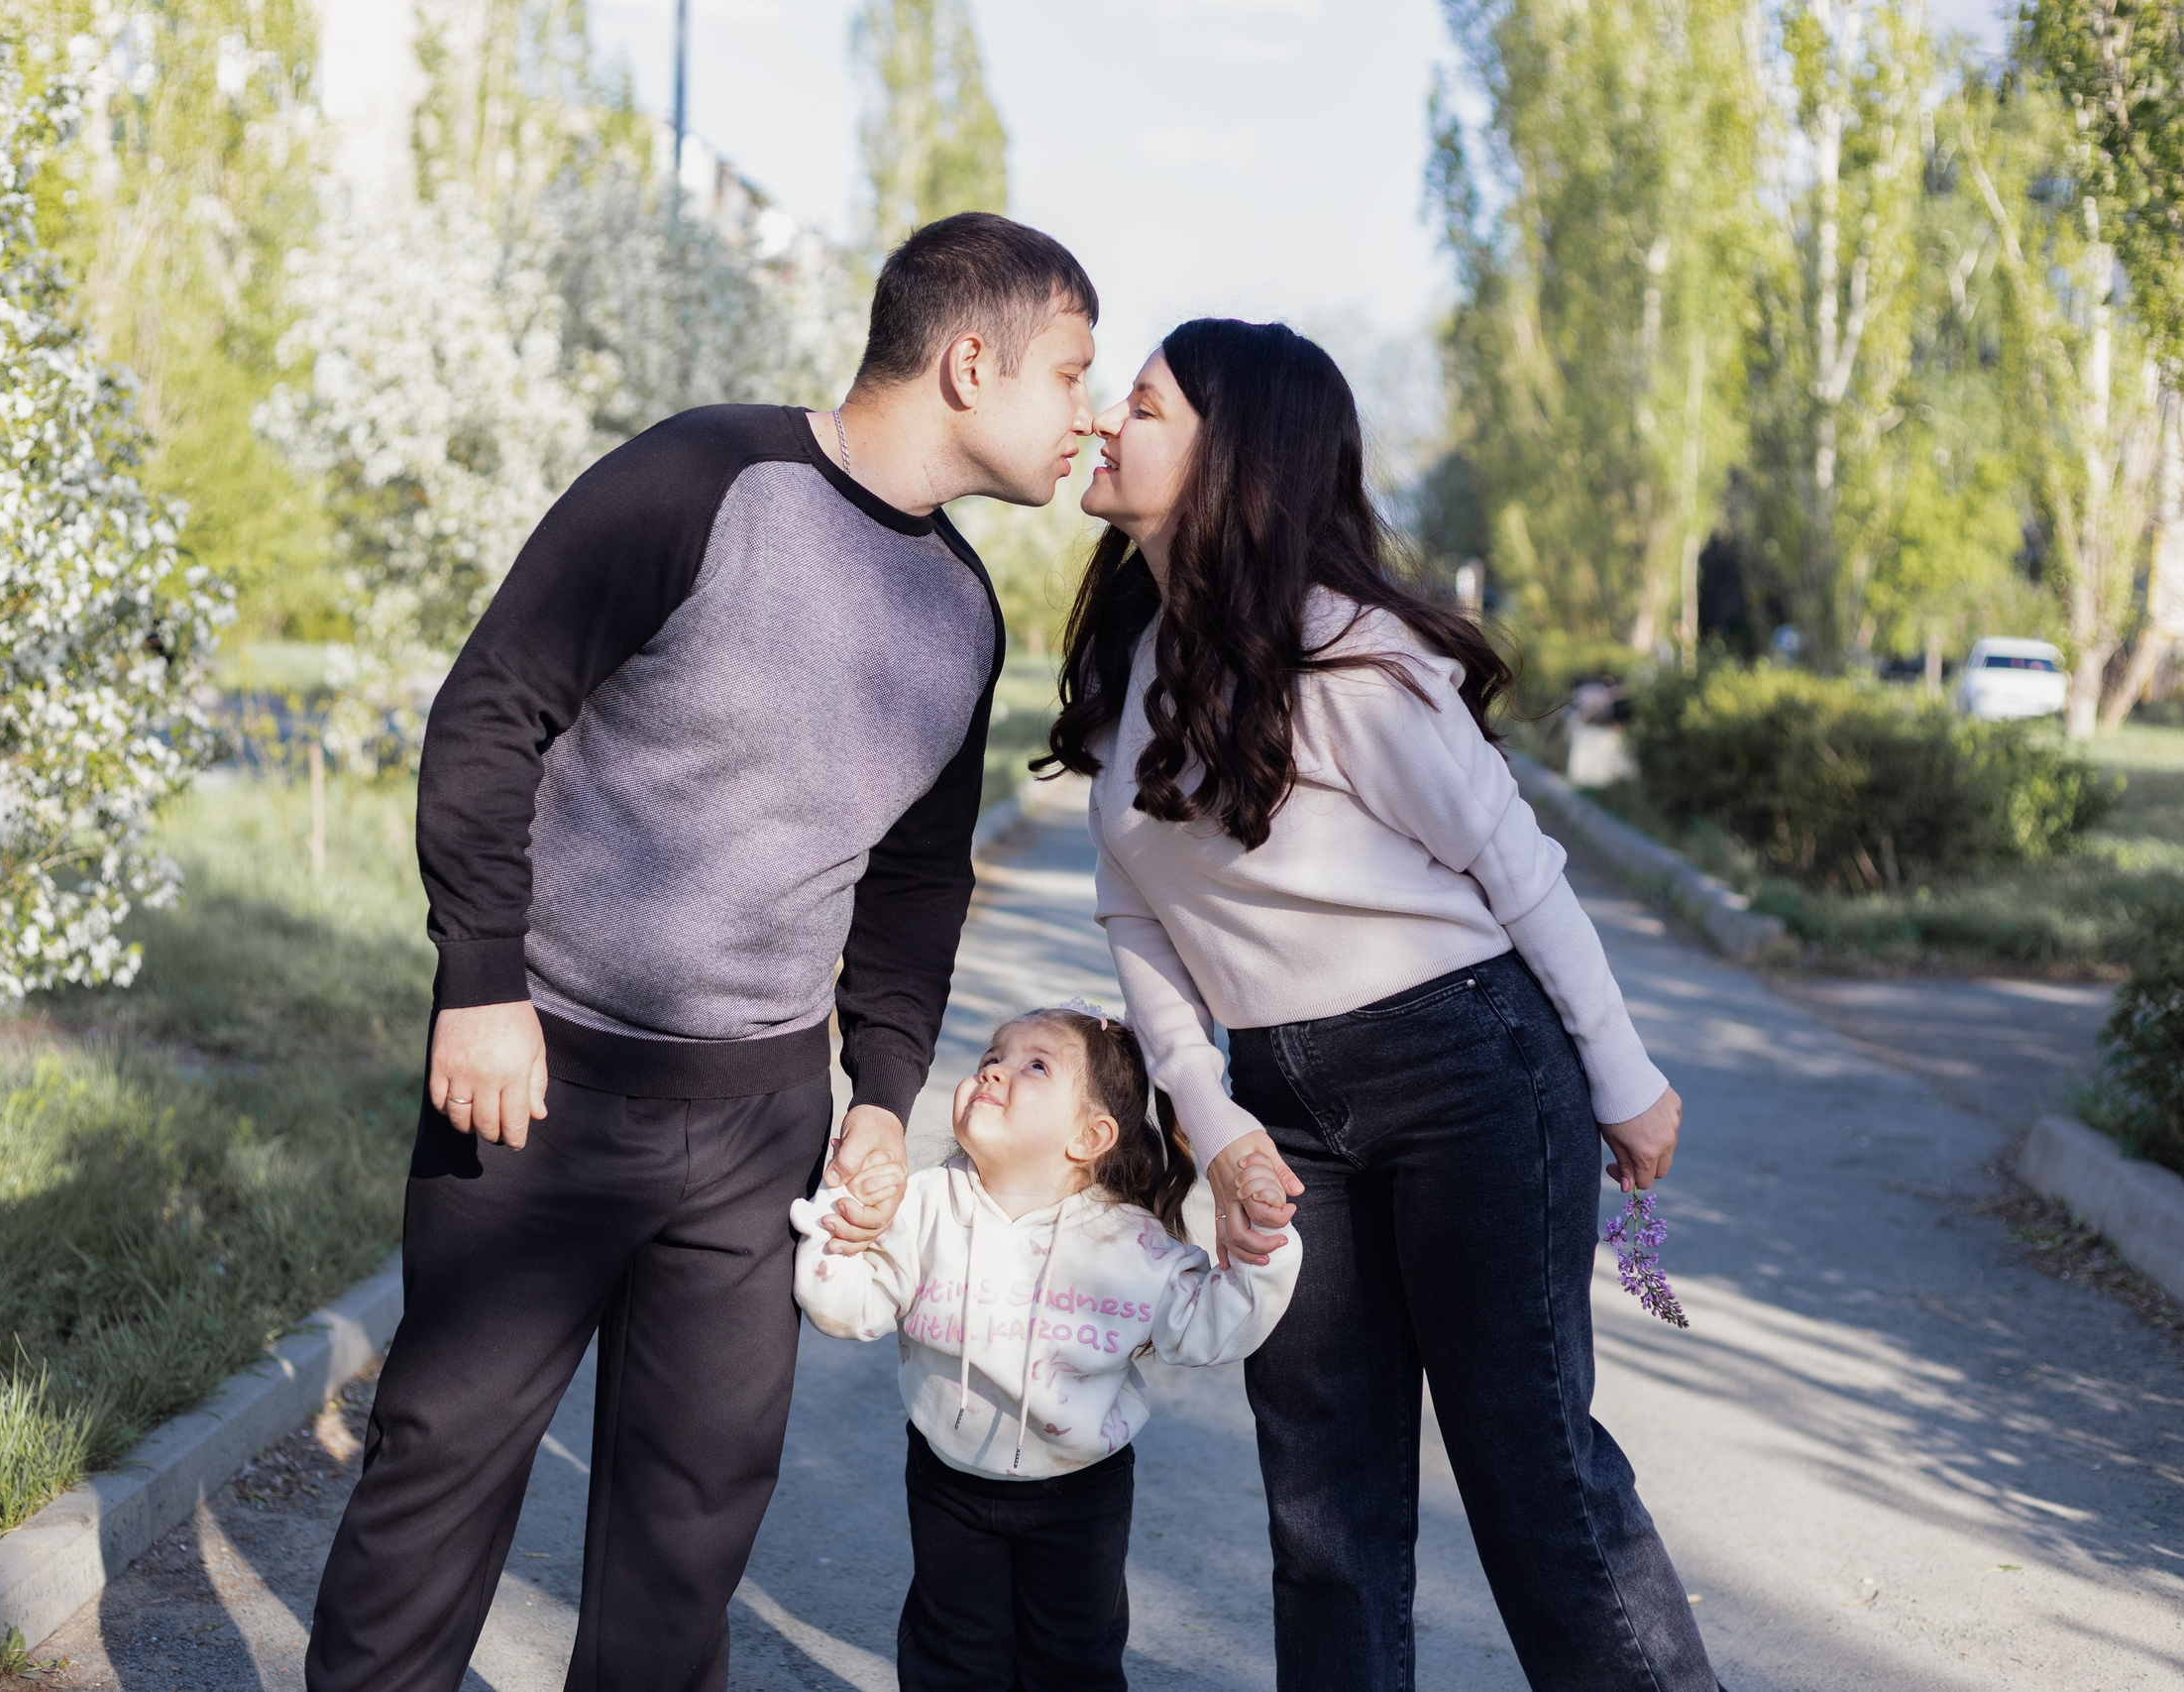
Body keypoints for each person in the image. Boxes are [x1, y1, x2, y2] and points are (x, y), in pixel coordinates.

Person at [304, 213, 1100, 1692]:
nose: (1089, 414)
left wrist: (879, 1089)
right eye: (1072, 372)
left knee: (685, 1549)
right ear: (971, 360)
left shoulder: (966, 614)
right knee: (436, 1485)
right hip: (539, 1092)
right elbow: (491, 707)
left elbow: (916, 884)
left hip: (758, 1135)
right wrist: (480, 979)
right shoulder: (698, 479)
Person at [1042, 318, 1721, 1691]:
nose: (1112, 417)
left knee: (1533, 1470)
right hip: (1287, 1112)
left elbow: (1516, 871)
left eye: (1150, 402)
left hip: (1471, 1068)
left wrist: (1623, 1074)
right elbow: (1139, 918)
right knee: (1320, 1504)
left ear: (1236, 453)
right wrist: (1215, 1116)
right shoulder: (1133, 659)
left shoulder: (1346, 655)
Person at [792, 1003, 1301, 1692]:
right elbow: (848, 1304)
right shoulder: (923, 1206)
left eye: (1036, 1064)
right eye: (991, 1057)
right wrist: (841, 1210)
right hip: (948, 1475)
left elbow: (1210, 1326)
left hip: (1080, 1491)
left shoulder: (1130, 1243)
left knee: (1073, 1659)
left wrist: (1262, 1249)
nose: (996, 1069)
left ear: (1091, 1135)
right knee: (951, 1651)